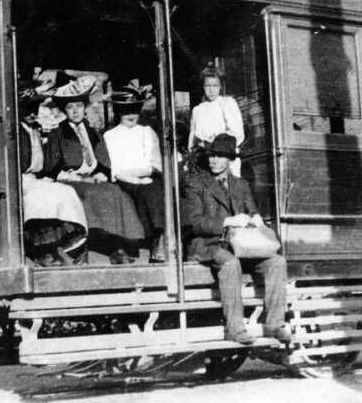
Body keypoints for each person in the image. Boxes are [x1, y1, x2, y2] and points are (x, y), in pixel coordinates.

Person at [181, 133, 290, 345]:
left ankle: (275, 325)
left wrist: (256, 220)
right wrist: (229, 221)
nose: (213, 160)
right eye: (211, 155)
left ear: (230, 159)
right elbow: (195, 223)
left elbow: (252, 211)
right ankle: (235, 329)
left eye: (219, 156)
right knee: (230, 264)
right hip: (209, 244)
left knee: (277, 262)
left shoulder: (241, 184)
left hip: (241, 245)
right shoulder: (196, 184)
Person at [43, 74, 145, 264]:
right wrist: (81, 179)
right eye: (70, 107)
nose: (75, 111)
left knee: (117, 193)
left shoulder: (92, 131)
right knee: (92, 194)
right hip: (72, 180)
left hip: (93, 179)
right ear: (65, 110)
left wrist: (100, 174)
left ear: (85, 108)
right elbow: (52, 169)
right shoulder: (58, 133)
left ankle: (118, 246)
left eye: (79, 106)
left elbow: (104, 161)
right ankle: (86, 248)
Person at [17, 87, 87, 266]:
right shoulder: (16, 132)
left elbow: (45, 161)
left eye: (35, 108)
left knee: (65, 191)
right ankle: (45, 251)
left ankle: (63, 245)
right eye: (27, 109)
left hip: (34, 178)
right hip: (18, 179)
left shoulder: (34, 130)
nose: (32, 113)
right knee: (43, 196)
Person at [104, 83, 166, 263]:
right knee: (142, 190)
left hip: (149, 176)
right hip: (125, 179)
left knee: (154, 189)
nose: (131, 115)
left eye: (134, 110)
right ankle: (143, 238)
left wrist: (146, 174)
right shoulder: (111, 136)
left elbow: (155, 163)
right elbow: (117, 169)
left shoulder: (147, 132)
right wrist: (136, 180)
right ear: (118, 112)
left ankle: (158, 238)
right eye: (126, 111)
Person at [187, 66, 245, 176]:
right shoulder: (198, 110)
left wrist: (214, 143)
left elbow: (237, 134)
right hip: (205, 161)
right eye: (207, 85)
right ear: (203, 86)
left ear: (220, 86)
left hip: (226, 158)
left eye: (215, 85)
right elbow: (192, 140)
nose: (211, 90)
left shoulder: (227, 103)